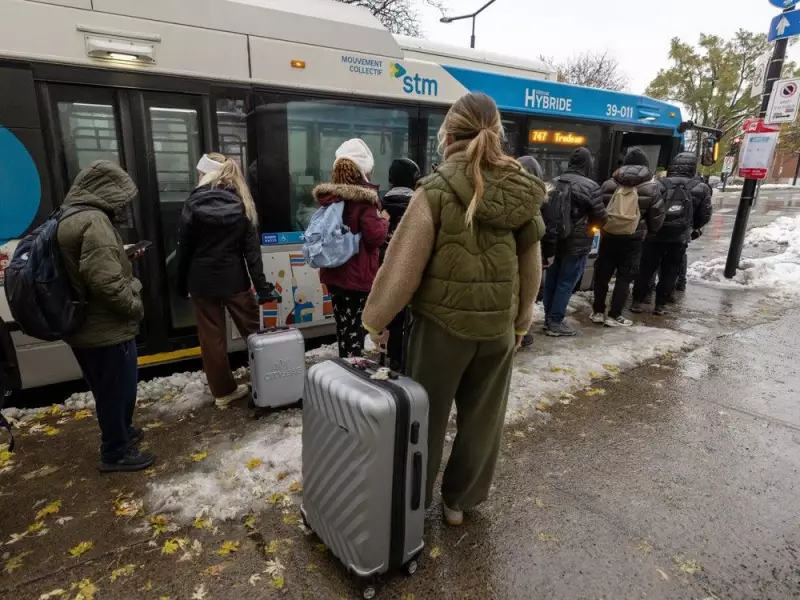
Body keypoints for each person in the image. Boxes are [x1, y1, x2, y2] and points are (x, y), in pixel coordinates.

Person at [361, 92, 545, 526]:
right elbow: (531, 268)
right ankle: (459, 503)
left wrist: (376, 320)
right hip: (497, 330)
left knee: (425, 419)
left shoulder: (437, 189)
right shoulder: (521, 189)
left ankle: (414, 502)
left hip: (442, 328)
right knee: (482, 423)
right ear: (497, 131)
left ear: (449, 133)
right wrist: (520, 324)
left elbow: (402, 267)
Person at [56, 160, 152, 472]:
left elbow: (90, 268)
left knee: (106, 388)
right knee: (117, 390)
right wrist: (135, 302)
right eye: (121, 197)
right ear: (105, 192)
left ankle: (121, 434)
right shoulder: (95, 222)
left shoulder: (70, 216)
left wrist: (121, 256)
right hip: (104, 327)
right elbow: (106, 284)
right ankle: (116, 451)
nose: (124, 205)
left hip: (84, 325)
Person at [176, 153, 276, 408]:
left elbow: (184, 249)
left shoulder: (192, 204)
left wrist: (180, 284)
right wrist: (262, 289)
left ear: (206, 174)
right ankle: (270, 379)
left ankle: (223, 393)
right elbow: (252, 255)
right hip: (234, 280)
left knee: (212, 340)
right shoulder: (241, 203)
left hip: (201, 282)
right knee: (255, 334)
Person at [314, 139, 389, 358]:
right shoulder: (365, 200)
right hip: (357, 275)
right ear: (363, 170)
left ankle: (345, 366)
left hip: (333, 273)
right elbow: (375, 237)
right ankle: (353, 373)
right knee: (356, 327)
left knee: (342, 325)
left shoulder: (330, 198)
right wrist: (384, 219)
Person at [631, 151, 712, 315]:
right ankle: (660, 305)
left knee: (646, 269)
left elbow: (647, 209)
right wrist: (690, 228)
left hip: (654, 235)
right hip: (678, 238)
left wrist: (650, 227)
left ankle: (637, 302)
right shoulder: (701, 188)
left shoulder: (659, 184)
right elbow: (704, 215)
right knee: (670, 271)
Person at [591, 148, 664, 327]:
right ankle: (615, 315)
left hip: (609, 236)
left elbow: (598, 209)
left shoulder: (609, 184)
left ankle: (598, 311)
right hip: (633, 239)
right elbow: (656, 217)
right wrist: (650, 232)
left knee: (602, 274)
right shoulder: (652, 187)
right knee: (624, 277)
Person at [539, 147, 606, 337]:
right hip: (577, 244)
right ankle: (556, 322)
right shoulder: (591, 186)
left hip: (553, 241)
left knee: (552, 280)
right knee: (566, 282)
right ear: (588, 165)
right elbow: (600, 219)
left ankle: (548, 318)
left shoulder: (552, 182)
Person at [380, 158, 422, 370]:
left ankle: (394, 356)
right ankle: (411, 359)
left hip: (385, 273)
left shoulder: (379, 205)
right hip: (413, 274)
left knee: (392, 317)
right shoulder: (421, 206)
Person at [517, 156, 547, 349]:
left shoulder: (505, 195)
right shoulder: (540, 200)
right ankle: (524, 332)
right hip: (534, 255)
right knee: (529, 289)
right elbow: (550, 230)